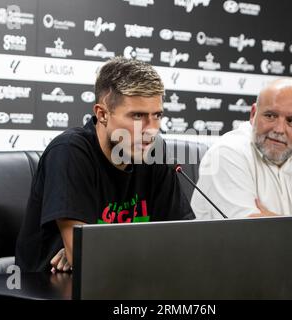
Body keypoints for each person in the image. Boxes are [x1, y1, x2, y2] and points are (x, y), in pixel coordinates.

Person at [16, 57, 195, 273]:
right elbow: (87, 259)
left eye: (157, 116)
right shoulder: (69, 151)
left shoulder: (154, 151)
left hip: (126, 284)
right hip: (51, 289)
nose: (151, 129)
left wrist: (96, 250)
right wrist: (86, 252)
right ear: (102, 114)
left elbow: (184, 245)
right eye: (137, 116)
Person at [191, 78, 292, 219]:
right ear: (253, 114)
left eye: (291, 121)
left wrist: (274, 221)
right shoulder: (227, 153)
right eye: (270, 116)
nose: (279, 129)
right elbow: (248, 237)